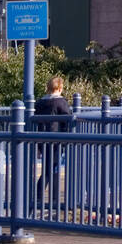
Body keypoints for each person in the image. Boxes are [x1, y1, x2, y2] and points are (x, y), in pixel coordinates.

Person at [34, 77, 71, 211]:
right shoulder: (60, 102)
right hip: (56, 140)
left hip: (43, 140)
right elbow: (67, 119)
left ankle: (45, 198)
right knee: (52, 169)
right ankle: (45, 198)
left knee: (51, 168)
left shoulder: (39, 103)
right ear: (60, 88)